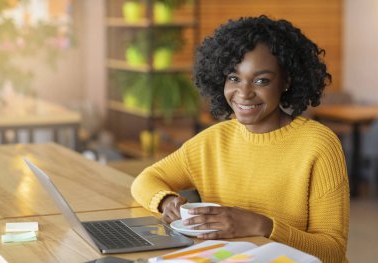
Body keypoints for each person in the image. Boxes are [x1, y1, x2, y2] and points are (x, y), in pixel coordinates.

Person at [131, 15, 349, 263]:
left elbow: (333, 252)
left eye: (261, 80)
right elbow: (145, 180)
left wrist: (263, 226)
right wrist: (165, 201)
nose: (243, 93)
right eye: (234, 78)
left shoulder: (318, 144)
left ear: (286, 81)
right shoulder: (212, 141)